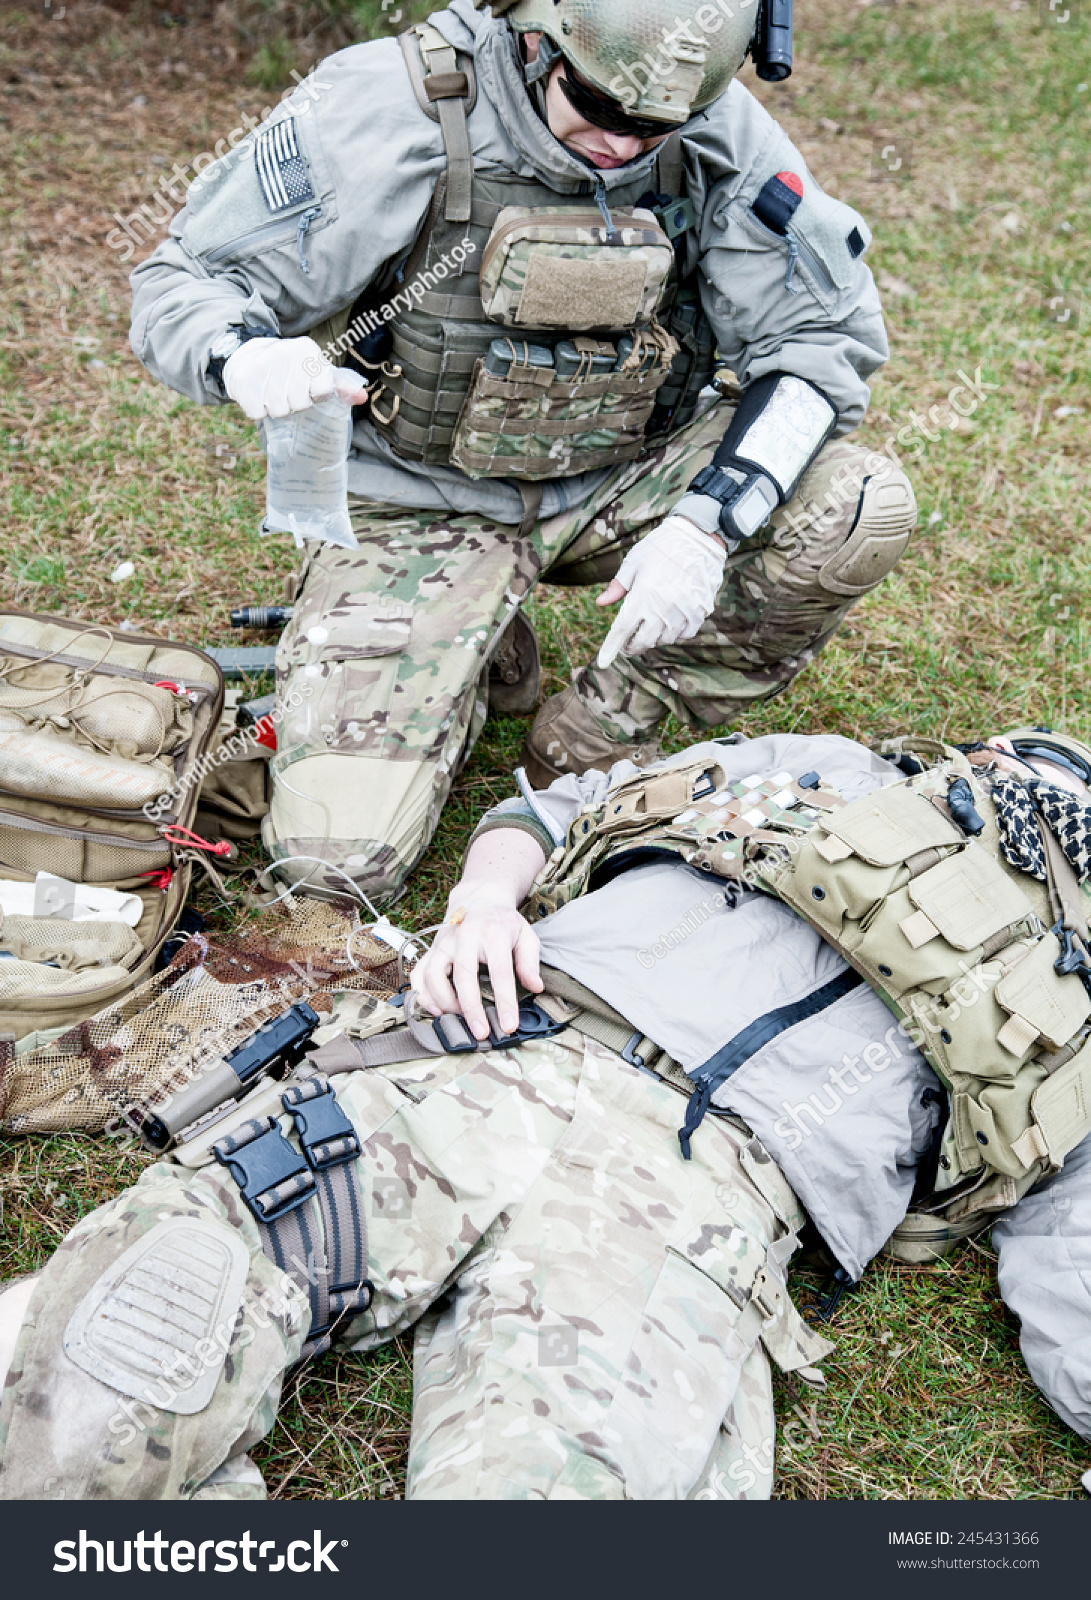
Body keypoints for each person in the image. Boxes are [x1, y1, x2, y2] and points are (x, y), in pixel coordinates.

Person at [1, 725, 1089, 1501]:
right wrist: (481, 898)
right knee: (109, 1369)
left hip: (695, 1200)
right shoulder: (822, 767)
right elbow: (552, 808)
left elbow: (1070, 1276)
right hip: (491, 1051)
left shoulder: (1074, 1025)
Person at [128, 0, 916, 905]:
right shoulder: (395, 101)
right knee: (332, 864)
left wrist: (706, 523)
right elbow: (186, 279)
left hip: (624, 470)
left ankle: (603, 726)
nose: (623, 145)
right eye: (598, 106)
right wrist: (241, 354)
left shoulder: (717, 127)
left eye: (655, 127)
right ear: (537, 40)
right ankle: (468, 651)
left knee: (857, 506)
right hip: (423, 496)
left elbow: (819, 343)